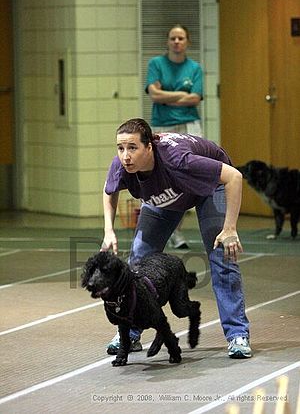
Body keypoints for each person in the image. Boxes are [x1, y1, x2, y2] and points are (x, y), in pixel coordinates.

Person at [102, 118, 252, 359]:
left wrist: (230, 229)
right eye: (120, 148)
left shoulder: (176, 159)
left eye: (132, 148)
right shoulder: (122, 165)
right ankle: (130, 332)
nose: (125, 155)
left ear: (149, 147)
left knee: (222, 255)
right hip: (167, 197)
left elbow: (233, 177)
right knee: (138, 261)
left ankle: (237, 334)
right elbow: (109, 191)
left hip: (209, 189)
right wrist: (109, 230)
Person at [145, 24, 204, 249]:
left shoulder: (194, 68)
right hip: (163, 125)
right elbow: (154, 94)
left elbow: (195, 98)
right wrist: (181, 94)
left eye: (181, 38)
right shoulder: (156, 64)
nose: (177, 42)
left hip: (190, 125)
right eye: (173, 38)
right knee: (164, 177)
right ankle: (165, 229)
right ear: (168, 42)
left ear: (187, 41)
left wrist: (167, 96)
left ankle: (179, 229)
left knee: (188, 175)